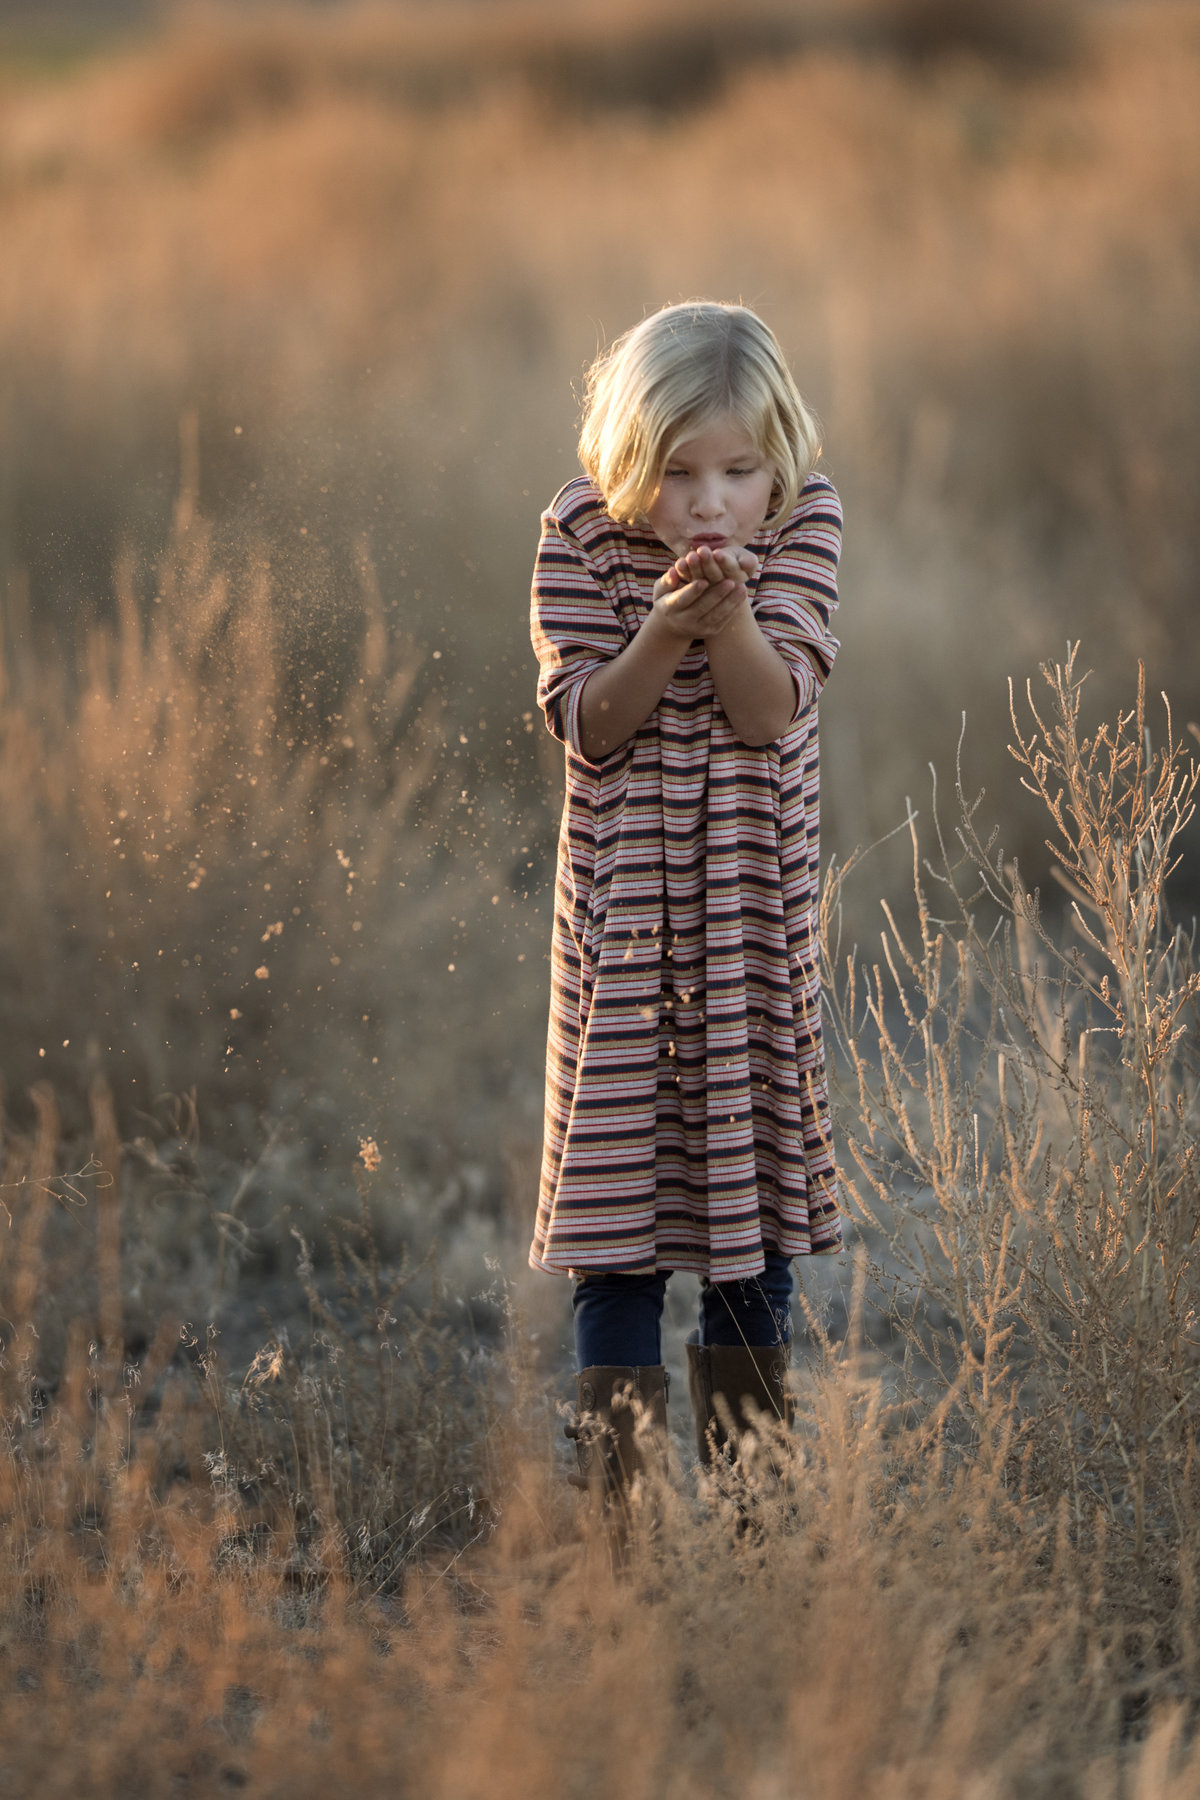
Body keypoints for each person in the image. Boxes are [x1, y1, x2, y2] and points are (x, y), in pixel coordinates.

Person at [528, 300, 842, 1515]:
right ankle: (620, 1538)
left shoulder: (808, 521)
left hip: (750, 942)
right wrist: (665, 627)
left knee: (747, 1241)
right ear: (624, 462)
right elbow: (593, 726)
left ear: (780, 460)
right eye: (677, 474)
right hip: (621, 952)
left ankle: (755, 1534)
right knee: (614, 1248)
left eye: (737, 471)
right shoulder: (578, 536)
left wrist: (734, 625)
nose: (710, 504)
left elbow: (772, 712)